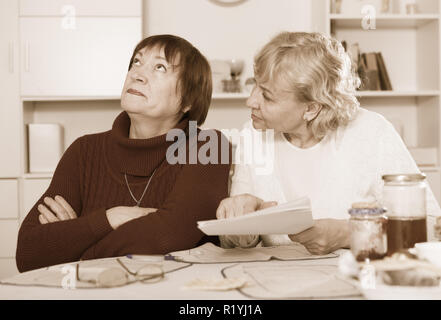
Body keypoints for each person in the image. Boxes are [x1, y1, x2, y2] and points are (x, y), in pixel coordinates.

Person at [16, 34, 231, 272]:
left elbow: (166, 236)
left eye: (160, 67)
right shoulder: (84, 151)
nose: (137, 74)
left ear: (188, 100)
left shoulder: (210, 146)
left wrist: (74, 245)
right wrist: (111, 218)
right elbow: (28, 253)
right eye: (136, 62)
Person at [216, 32, 441, 254]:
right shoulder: (253, 135)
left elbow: (431, 227)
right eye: (255, 84)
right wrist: (240, 227)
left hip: (355, 280)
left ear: (311, 108)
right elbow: (237, 244)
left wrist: (348, 233)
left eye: (267, 95)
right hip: (275, 285)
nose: (250, 101)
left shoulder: (372, 132)